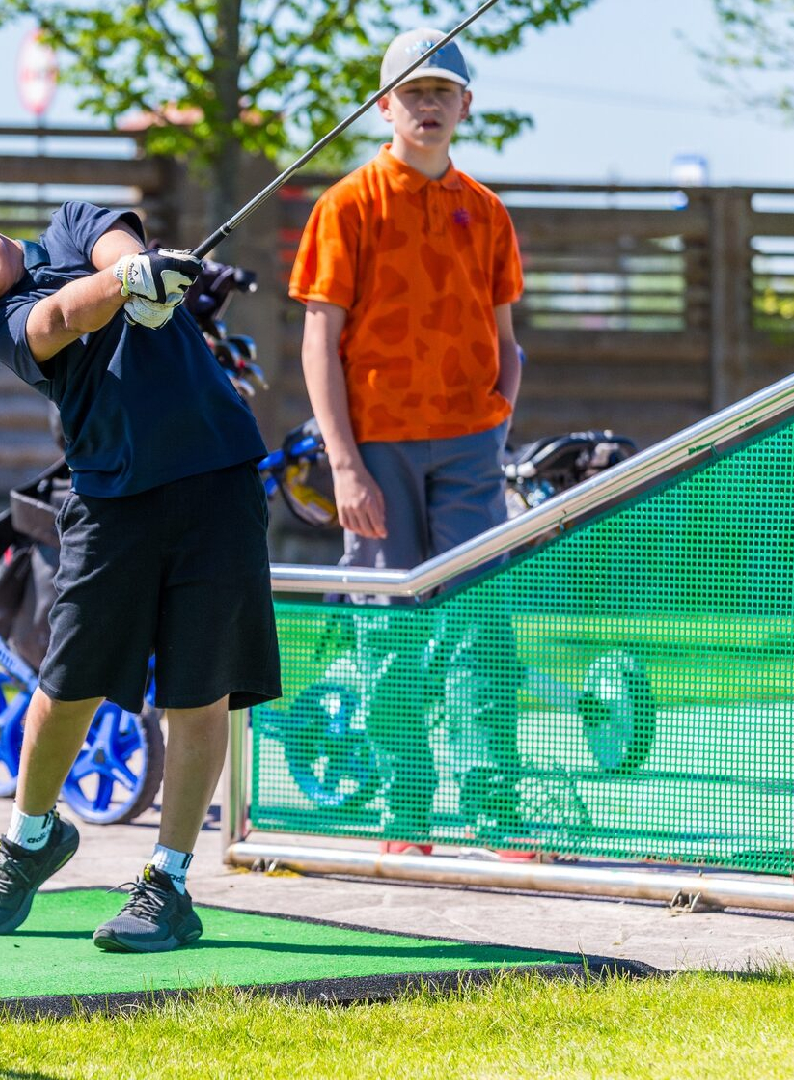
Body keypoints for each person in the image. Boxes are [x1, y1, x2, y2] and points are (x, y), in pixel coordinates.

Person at [0, 201, 281, 953]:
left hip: (216, 478)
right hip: (110, 500)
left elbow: (110, 246)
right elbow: (63, 314)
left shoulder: (70, 224)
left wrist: (133, 268)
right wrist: (131, 284)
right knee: (67, 685)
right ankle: (30, 838)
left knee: (200, 688)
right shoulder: (0, 323)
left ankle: (166, 884)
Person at [286, 29, 525, 851]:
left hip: (468, 448)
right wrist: (344, 466)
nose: (427, 106)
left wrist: (497, 420)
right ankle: (407, 812)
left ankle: (496, 812)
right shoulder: (345, 206)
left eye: (442, 92)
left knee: (480, 631)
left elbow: (504, 335)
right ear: (382, 107)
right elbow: (319, 341)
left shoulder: (487, 213)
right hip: (376, 451)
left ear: (465, 106)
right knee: (390, 636)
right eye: (412, 93)